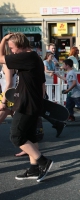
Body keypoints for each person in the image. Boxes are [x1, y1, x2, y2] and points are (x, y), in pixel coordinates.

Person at [0, 32, 53, 182]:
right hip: (32, 103)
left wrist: (3, 40)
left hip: (26, 104)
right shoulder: (35, 58)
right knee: (29, 136)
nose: (12, 51)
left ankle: (43, 161)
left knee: (16, 137)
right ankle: (34, 169)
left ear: (21, 46)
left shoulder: (26, 56)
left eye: (12, 48)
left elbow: (0, 59)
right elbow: (42, 84)